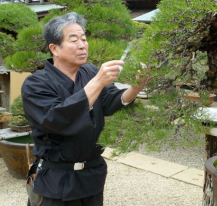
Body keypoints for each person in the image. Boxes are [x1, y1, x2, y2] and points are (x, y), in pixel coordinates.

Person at [21, 12, 149, 206]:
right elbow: (56, 119)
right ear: (54, 48)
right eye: (74, 40)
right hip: (56, 178)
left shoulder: (90, 71)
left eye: (84, 39)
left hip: (92, 175)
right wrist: (98, 81)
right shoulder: (36, 83)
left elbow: (110, 101)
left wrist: (136, 87)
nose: (82, 45)